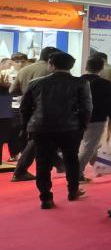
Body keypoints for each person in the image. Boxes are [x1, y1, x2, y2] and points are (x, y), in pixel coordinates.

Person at [20, 51, 91, 209]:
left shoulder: (36, 83)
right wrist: (82, 125)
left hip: (41, 127)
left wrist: (26, 126)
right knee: (71, 159)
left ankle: (46, 198)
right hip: (70, 128)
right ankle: (73, 190)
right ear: (70, 66)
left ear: (51, 65)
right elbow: (86, 108)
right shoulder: (80, 83)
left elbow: (25, 108)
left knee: (43, 162)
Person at [10, 47, 60, 181]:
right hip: (46, 110)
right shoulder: (52, 70)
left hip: (27, 109)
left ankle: (60, 164)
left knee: (42, 138)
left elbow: (12, 90)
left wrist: (26, 94)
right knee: (37, 139)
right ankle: (20, 171)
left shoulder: (25, 70)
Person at [78, 56, 111, 183]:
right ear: (101, 68)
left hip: (76, 117)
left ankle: (93, 162)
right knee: (89, 145)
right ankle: (77, 173)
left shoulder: (77, 81)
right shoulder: (105, 84)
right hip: (97, 118)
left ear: (86, 67)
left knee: (86, 144)